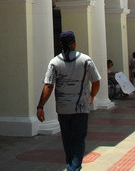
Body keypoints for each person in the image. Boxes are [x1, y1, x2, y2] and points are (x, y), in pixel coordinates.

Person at [37, 30, 101, 171]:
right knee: (78, 141)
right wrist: (91, 95)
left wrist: (40, 106)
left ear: (60, 44)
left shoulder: (54, 62)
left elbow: (48, 85)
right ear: (74, 43)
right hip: (81, 108)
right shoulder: (86, 60)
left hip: (63, 109)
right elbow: (96, 82)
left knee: (67, 141)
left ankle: (71, 166)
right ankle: (74, 168)